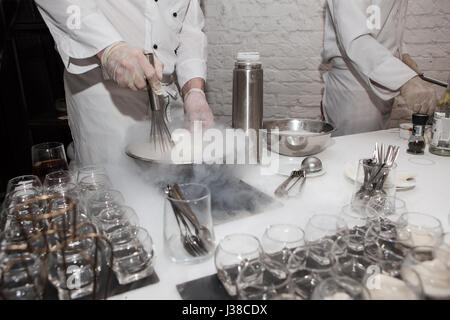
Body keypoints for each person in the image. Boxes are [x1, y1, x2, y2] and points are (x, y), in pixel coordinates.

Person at [34, 0, 215, 165]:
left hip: (167, 93)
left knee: (176, 189)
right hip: (106, 95)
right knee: (118, 189)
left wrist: (194, 92)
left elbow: (191, 31)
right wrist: (110, 49)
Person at [321, 0, 437, 136]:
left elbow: (378, 23)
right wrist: (405, 80)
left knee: (375, 150)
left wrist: (402, 54)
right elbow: (356, 39)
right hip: (355, 87)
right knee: (354, 151)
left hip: (381, 77)